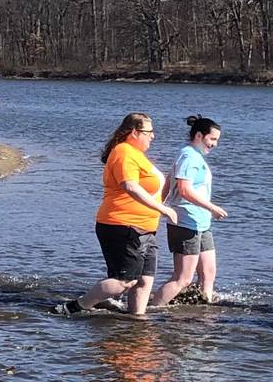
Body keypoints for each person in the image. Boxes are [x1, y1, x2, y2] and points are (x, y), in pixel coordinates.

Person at [52, 113, 177, 318]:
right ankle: (76, 306)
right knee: (124, 281)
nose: (153, 136)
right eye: (149, 132)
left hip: (146, 228)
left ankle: (136, 320)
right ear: (134, 132)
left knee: (145, 280)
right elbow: (129, 185)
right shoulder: (123, 152)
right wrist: (163, 209)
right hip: (122, 225)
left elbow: (153, 188)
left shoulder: (138, 155)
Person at [150, 115, 228, 306]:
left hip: (201, 223)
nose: (215, 144)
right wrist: (212, 207)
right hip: (185, 222)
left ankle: (203, 312)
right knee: (182, 278)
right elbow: (184, 190)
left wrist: (161, 202)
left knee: (208, 273)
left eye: (217, 140)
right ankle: (147, 311)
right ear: (199, 136)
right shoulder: (189, 156)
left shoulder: (193, 155)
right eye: (212, 139)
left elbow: (169, 179)